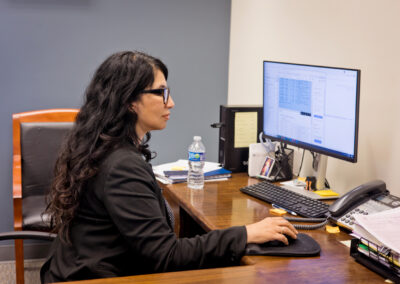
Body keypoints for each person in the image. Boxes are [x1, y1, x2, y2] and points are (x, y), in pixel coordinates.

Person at [40, 51, 298, 282]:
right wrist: (245, 233)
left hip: (84, 268)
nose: (170, 102)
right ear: (130, 101)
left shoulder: (103, 147)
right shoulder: (121, 166)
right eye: (161, 92)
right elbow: (166, 255)